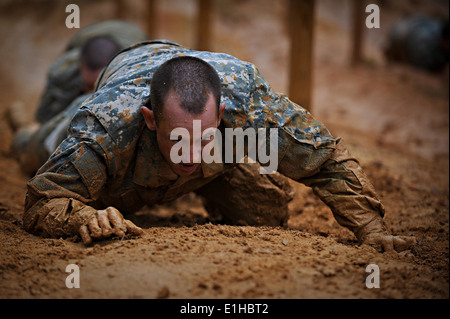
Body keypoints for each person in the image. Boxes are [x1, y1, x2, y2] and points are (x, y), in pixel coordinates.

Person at [22, 40, 416, 252]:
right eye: (179, 139)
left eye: (204, 138)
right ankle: (22, 128)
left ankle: (207, 170)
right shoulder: (107, 125)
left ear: (223, 112)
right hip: (120, 94)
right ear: (151, 119)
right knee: (37, 146)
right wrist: (81, 218)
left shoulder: (249, 100)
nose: (190, 155)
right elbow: (42, 199)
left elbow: (325, 158)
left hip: (207, 123)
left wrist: (371, 228)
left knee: (265, 207)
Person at [10, 20, 148, 175]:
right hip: (85, 38)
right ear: (80, 66)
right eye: (89, 86)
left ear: (114, 73)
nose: (92, 95)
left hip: (134, 38)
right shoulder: (63, 73)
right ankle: (19, 123)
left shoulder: (136, 75)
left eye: (98, 87)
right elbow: (45, 121)